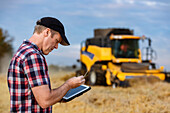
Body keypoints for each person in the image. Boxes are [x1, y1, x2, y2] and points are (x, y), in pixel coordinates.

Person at [7, 17, 85, 113]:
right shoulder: (33, 56)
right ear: (47, 32)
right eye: (56, 41)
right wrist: (68, 85)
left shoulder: (24, 51)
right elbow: (45, 101)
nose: (56, 47)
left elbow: (35, 96)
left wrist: (59, 96)